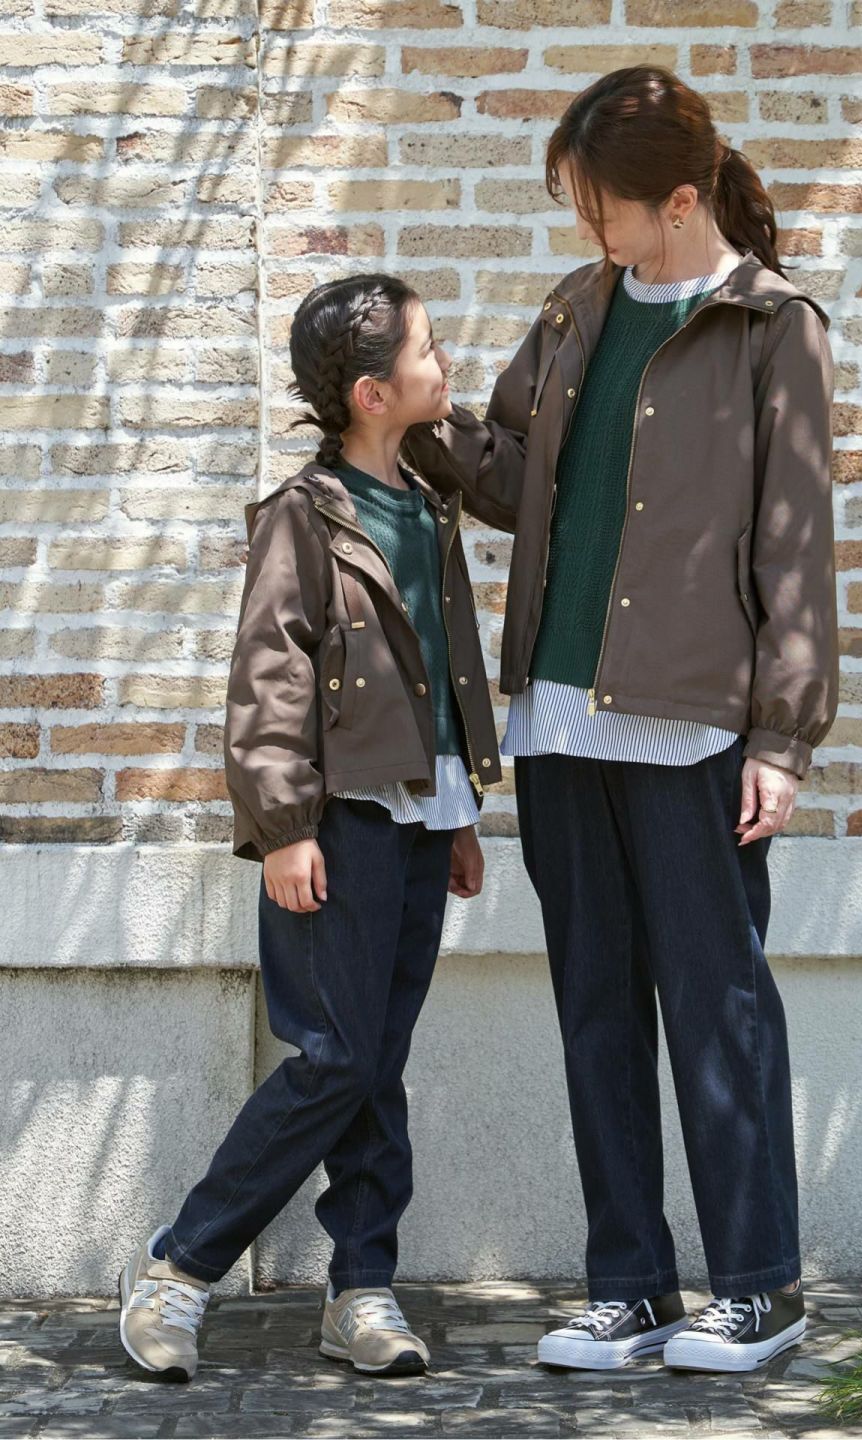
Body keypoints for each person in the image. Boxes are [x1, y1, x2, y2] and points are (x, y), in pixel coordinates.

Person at [401, 65, 838, 1374]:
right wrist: (419, 427)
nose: (587, 227)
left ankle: (757, 1288)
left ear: (681, 202)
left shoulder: (770, 328)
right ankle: (631, 1286)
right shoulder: (576, 310)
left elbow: (796, 545)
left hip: (695, 727)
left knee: (718, 1008)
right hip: (558, 717)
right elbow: (511, 480)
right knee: (597, 1010)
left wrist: (783, 739)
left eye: (601, 206)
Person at [116, 273, 502, 1381]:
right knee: (334, 1059)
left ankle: (361, 1288)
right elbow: (270, 676)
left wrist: (456, 812)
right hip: (336, 827)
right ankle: (181, 1268)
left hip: (419, 817)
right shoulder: (306, 513)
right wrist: (286, 827)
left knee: (377, 1063)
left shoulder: (426, 502)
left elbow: (437, 671)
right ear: (374, 394)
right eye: (427, 350)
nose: (445, 363)